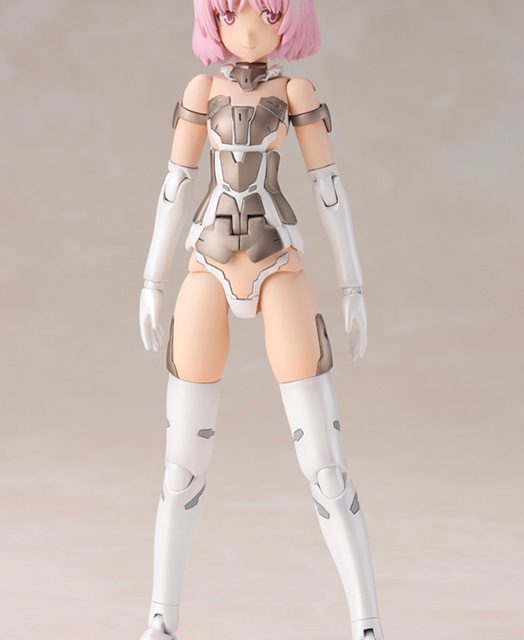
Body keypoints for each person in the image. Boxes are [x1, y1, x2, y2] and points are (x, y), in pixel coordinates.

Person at [138, 2, 384, 639]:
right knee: (179, 470)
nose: (247, 27)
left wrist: (353, 284)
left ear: (288, 20)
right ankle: (161, 620)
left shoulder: (296, 91)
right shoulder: (201, 90)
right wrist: (152, 279)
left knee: (326, 469)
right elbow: (174, 184)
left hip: (278, 265)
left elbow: (329, 187)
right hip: (207, 264)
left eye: (266, 12)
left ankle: (367, 624)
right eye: (231, 13)